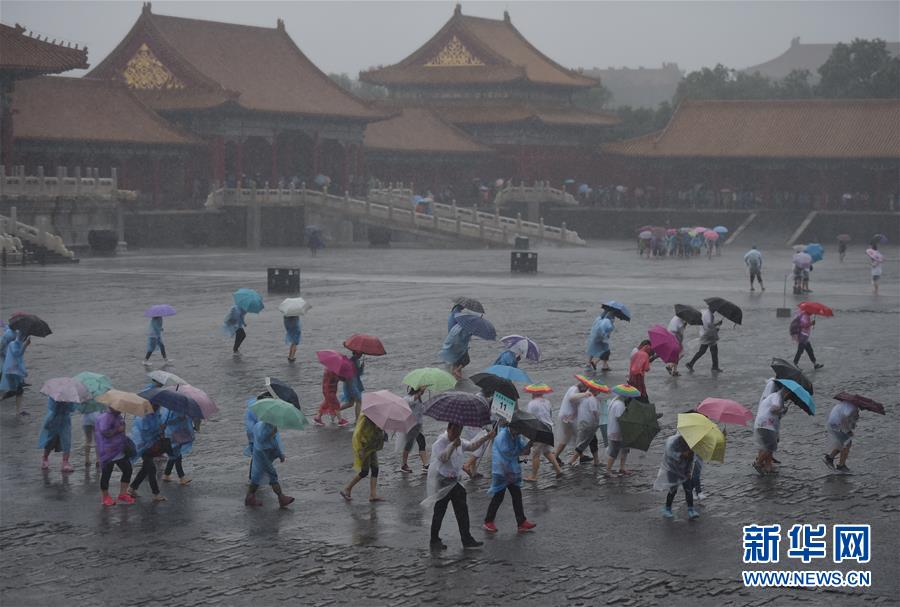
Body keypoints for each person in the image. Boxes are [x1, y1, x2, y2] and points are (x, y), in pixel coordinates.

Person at [425, 423, 494, 550]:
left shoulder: (459, 441)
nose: (457, 433)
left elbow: (472, 446)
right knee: (439, 511)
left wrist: (486, 437)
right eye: (455, 431)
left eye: (459, 431)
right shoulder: (440, 442)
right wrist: (452, 446)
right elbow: (443, 458)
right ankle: (434, 540)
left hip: (455, 482)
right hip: (443, 482)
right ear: (448, 429)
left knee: (462, 511)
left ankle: (466, 539)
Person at [483, 425, 536, 533]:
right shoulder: (502, 436)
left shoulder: (517, 436)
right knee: (499, 496)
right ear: (510, 426)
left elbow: (524, 452)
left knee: (517, 495)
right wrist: (522, 450)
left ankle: (521, 522)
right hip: (501, 471)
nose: (519, 431)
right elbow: (509, 452)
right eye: (517, 428)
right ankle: (488, 521)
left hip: (511, 471)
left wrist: (529, 445)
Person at [245, 420, 294, 508]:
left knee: (257, 476)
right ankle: (281, 497)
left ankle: (249, 497)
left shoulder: (265, 425)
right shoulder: (265, 428)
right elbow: (268, 441)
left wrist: (279, 454)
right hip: (262, 454)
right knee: (272, 474)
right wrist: (279, 454)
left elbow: (273, 442)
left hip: (260, 453)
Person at [95, 407, 135, 507]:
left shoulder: (118, 416)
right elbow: (105, 432)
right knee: (107, 473)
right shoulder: (106, 417)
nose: (120, 408)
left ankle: (123, 493)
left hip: (119, 449)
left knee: (128, 469)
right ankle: (105, 497)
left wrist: (122, 427)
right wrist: (118, 429)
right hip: (108, 450)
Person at [341, 414, 386, 502]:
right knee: (365, 472)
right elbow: (357, 434)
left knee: (375, 469)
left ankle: (373, 495)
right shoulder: (365, 419)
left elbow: (378, 432)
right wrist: (360, 449)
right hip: (364, 448)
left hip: (372, 447)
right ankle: (347, 488)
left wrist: (380, 428)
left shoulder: (379, 417)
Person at [654, 434, 699, 519]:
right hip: (672, 470)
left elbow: (691, 459)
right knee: (673, 490)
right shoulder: (675, 442)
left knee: (688, 490)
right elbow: (670, 453)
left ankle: (691, 510)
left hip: (684, 470)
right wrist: (681, 454)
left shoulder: (692, 444)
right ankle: (667, 508)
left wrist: (689, 471)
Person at [128, 406, 167, 502]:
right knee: (151, 469)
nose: (158, 406)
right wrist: (158, 430)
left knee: (145, 469)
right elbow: (144, 433)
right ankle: (156, 493)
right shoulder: (143, 417)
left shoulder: (157, 414)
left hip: (151, 446)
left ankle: (132, 488)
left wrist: (161, 429)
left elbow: (157, 428)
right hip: (143, 446)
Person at [523, 385, 562, 480]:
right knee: (547, 451)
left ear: (534, 393)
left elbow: (529, 418)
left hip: (539, 430)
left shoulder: (532, 404)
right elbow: (550, 414)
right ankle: (558, 470)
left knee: (536, 454)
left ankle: (534, 476)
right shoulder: (547, 402)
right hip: (549, 428)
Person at [753, 381, 788, 475]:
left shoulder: (777, 397)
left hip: (764, 424)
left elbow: (776, 416)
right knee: (770, 446)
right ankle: (758, 463)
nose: (788, 398)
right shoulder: (776, 396)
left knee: (767, 445)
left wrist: (782, 412)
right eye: (789, 394)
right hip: (766, 425)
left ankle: (768, 466)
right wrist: (781, 410)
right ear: (786, 392)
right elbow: (773, 409)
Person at [553, 378, 592, 462]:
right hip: (567, 418)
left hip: (569, 418)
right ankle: (555, 456)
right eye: (587, 388)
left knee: (575, 437)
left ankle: (581, 455)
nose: (587, 390)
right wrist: (585, 394)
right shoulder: (574, 389)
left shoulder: (576, 390)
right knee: (567, 438)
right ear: (583, 386)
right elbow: (571, 398)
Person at [38, 398, 77, 472]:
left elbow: (72, 409)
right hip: (53, 419)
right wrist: (58, 403)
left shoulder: (70, 395)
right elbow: (51, 407)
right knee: (50, 440)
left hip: (65, 420)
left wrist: (68, 403)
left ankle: (65, 462)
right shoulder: (54, 394)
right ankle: (45, 458)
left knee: (66, 441)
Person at [568, 387, 601, 467]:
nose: (599, 393)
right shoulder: (592, 398)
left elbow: (571, 399)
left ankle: (596, 461)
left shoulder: (582, 398)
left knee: (593, 440)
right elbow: (595, 412)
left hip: (582, 422)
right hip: (590, 424)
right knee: (583, 443)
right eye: (598, 391)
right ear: (595, 390)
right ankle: (571, 461)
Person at [824, 400, 859, 472]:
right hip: (836, 424)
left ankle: (830, 458)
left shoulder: (845, 404)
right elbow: (845, 417)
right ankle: (841, 465)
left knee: (842, 443)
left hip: (832, 423)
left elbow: (847, 419)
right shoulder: (852, 408)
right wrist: (848, 431)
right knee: (847, 443)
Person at [161, 407, 194, 485]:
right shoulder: (168, 411)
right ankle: (182, 477)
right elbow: (165, 422)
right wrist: (178, 419)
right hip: (172, 435)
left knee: (174, 455)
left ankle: (166, 474)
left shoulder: (181, 410)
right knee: (177, 456)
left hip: (179, 435)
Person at [0, 332, 30, 416]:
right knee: (18, 390)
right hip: (13, 371)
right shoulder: (14, 344)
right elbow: (18, 355)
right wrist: (25, 345)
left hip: (10, 371)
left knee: (15, 391)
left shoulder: (14, 343)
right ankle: (18, 411)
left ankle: (18, 411)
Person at [400, 386, 428, 474]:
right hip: (410, 425)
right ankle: (405, 465)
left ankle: (424, 465)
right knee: (411, 444)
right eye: (422, 390)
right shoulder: (408, 398)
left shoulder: (419, 399)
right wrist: (418, 394)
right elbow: (409, 402)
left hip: (417, 426)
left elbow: (421, 411)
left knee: (419, 442)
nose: (424, 391)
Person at [685, 307, 723, 373]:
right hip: (708, 335)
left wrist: (717, 324)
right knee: (713, 351)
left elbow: (707, 324)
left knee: (703, 351)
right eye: (715, 309)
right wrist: (717, 327)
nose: (716, 310)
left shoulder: (704, 312)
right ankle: (714, 367)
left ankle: (691, 364)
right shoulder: (709, 315)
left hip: (704, 333)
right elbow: (709, 325)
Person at [605, 392, 632, 476]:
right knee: (614, 451)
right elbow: (621, 419)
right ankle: (608, 471)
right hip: (617, 431)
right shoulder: (620, 405)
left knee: (625, 449)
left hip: (615, 430)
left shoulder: (614, 400)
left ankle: (622, 468)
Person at [343, 352, 365, 422]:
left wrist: (362, 367)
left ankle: (335, 411)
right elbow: (349, 375)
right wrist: (351, 387)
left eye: (361, 354)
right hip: (351, 384)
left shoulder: (357, 361)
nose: (360, 355)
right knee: (359, 400)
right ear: (355, 353)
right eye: (359, 354)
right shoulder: (351, 361)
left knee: (350, 403)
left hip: (355, 383)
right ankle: (357, 420)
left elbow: (358, 373)